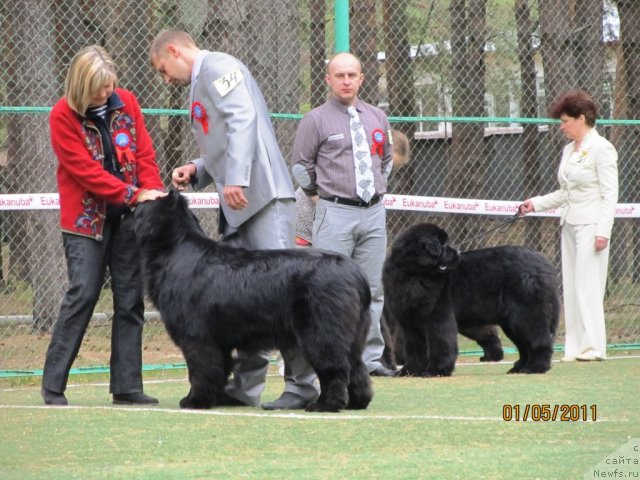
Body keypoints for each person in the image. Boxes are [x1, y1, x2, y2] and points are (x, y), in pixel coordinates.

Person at [149, 30, 319, 410]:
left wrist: (238, 176)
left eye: (164, 69)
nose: (166, 79)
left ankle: (302, 386)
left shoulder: (218, 68)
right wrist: (197, 169)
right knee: (241, 301)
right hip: (239, 203)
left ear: (174, 51)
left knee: (283, 292)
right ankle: (244, 387)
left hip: (260, 196)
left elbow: (243, 118)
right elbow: (223, 141)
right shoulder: (202, 80)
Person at [42, 45, 166, 406]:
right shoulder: (61, 116)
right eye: (98, 89)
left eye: (109, 86)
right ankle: (53, 384)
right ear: (81, 87)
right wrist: (133, 193)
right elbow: (85, 172)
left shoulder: (127, 101)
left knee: (130, 300)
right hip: (85, 222)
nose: (106, 94)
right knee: (83, 293)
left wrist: (153, 191)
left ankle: (127, 386)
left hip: (129, 220)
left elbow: (144, 154)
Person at [292, 52, 396, 377]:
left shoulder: (378, 116)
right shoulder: (315, 120)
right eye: (340, 75)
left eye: (353, 75)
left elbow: (387, 160)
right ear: (329, 80)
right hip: (333, 213)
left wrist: (375, 191)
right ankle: (327, 359)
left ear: (362, 78)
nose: (347, 80)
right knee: (327, 290)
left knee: (372, 288)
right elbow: (300, 166)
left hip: (373, 213)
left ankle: (370, 359)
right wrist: (316, 196)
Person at [519, 90, 618, 363]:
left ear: (581, 118)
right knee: (572, 287)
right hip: (570, 224)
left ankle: (594, 347)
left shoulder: (602, 149)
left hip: (591, 224)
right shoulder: (567, 151)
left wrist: (602, 231)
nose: (561, 126)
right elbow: (565, 193)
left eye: (565, 121)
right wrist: (535, 204)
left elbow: (610, 194)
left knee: (589, 286)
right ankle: (574, 347)